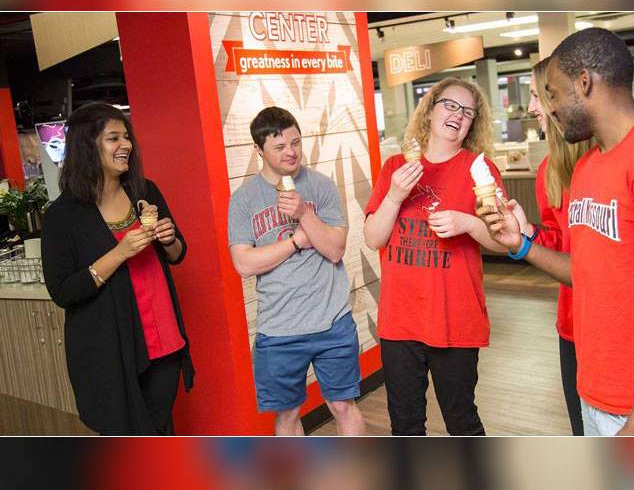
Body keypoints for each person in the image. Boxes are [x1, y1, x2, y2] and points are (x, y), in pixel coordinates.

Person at [478, 28, 634, 436]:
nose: (549, 108)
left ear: (584, 83)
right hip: (595, 389)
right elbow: (585, 272)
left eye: (552, 93)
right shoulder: (588, 167)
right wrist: (520, 244)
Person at [363, 77, 506, 436]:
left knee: (462, 423)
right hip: (400, 320)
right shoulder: (396, 166)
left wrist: (469, 223)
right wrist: (395, 195)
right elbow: (372, 237)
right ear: (429, 110)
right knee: (405, 425)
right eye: (450, 105)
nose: (459, 115)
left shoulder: (479, 169)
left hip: (455, 319)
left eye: (468, 112)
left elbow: (505, 242)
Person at [41, 102, 194, 435]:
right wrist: (120, 252)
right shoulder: (62, 215)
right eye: (113, 138)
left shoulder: (144, 191)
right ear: (87, 145)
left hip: (162, 337)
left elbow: (177, 254)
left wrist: (168, 238)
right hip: (108, 351)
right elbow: (63, 290)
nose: (125, 145)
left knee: (159, 429)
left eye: (126, 137)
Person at [228, 106, 365, 436]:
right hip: (279, 329)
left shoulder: (320, 186)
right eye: (279, 146)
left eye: (296, 142)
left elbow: (334, 248)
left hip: (332, 319)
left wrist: (304, 213)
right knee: (287, 414)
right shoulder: (244, 199)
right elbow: (244, 263)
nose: (291, 152)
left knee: (343, 406)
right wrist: (296, 242)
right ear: (258, 150)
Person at [513, 57, 591, 435]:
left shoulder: (605, 163)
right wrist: (527, 233)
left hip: (615, 328)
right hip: (572, 326)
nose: (530, 109)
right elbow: (558, 244)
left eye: (535, 96)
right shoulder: (548, 172)